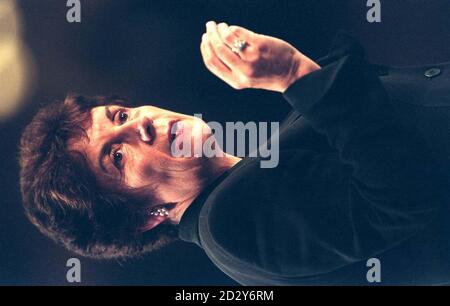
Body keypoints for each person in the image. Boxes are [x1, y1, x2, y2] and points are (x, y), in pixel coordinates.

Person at [19, 22, 448, 285]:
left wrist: (299, 76)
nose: (139, 124)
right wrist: (294, 73)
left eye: (120, 114)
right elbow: (403, 195)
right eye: (116, 156)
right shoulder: (228, 225)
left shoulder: (248, 185)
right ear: (144, 218)